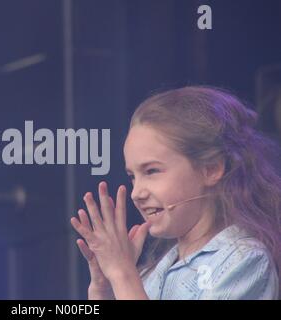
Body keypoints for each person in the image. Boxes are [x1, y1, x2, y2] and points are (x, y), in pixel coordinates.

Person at [70, 86, 280, 300]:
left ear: (211, 169)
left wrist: (122, 275)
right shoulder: (153, 271)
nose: (136, 193)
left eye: (151, 171)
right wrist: (104, 289)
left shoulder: (246, 261)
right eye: (132, 176)